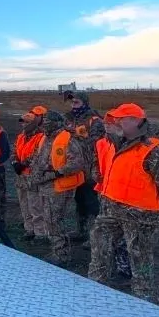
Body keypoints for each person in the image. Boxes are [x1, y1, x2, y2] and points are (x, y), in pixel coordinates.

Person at [88, 103, 159, 302]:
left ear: (137, 121)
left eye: (121, 119)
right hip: (111, 207)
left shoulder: (153, 148)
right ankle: (95, 287)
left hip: (141, 215)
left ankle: (142, 297)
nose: (115, 122)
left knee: (139, 256)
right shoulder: (114, 142)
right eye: (114, 118)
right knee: (99, 242)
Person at [30, 111, 87, 266]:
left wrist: (57, 172)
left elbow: (77, 163)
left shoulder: (68, 139)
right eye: (44, 120)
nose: (44, 123)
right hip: (46, 185)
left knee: (55, 220)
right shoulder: (45, 138)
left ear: (56, 122)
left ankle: (62, 255)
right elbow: (38, 158)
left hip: (59, 187)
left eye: (48, 121)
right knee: (50, 220)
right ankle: (57, 250)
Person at [63, 90, 105, 246]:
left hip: (91, 169)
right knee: (79, 201)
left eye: (76, 103)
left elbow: (98, 145)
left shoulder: (95, 121)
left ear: (85, 103)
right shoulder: (70, 119)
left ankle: (96, 237)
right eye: (72, 103)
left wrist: (77, 136)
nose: (73, 106)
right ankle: (81, 231)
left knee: (93, 203)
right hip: (76, 169)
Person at [93, 110, 131, 277]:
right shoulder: (101, 143)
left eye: (111, 123)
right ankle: (113, 266)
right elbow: (97, 163)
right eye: (106, 123)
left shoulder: (130, 146)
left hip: (126, 199)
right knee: (107, 235)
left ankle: (125, 268)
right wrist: (95, 174)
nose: (107, 126)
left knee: (125, 237)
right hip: (105, 195)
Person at [11, 111, 47, 241]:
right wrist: (15, 162)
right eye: (22, 122)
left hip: (33, 176)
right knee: (24, 204)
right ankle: (29, 229)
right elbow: (14, 150)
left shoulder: (41, 137)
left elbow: (39, 154)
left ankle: (40, 233)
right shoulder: (20, 136)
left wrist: (23, 164)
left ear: (33, 123)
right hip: (20, 176)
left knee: (36, 205)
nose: (24, 125)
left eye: (26, 122)